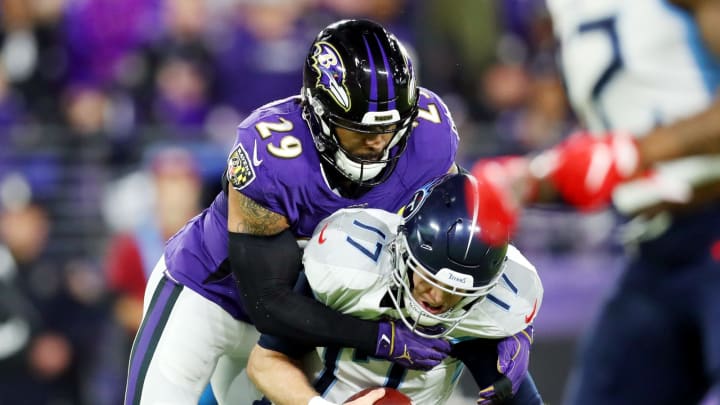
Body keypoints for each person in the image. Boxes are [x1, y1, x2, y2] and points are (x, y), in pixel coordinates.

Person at [124, 18, 462, 404]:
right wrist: (379, 338)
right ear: (319, 115)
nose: (378, 144)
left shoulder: (429, 138)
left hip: (300, 328)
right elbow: (268, 302)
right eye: (360, 131)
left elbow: (459, 237)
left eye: (390, 129)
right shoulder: (273, 154)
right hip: (208, 294)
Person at [470, 1, 720, 404]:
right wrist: (531, 180)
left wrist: (635, 153)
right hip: (656, 248)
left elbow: (626, 150)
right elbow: (613, 135)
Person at [247, 173, 544, 405]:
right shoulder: (350, 266)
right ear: (404, 250)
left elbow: (520, 398)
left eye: (457, 291)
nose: (438, 298)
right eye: (430, 278)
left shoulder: (487, 312)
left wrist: (517, 339)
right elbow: (266, 362)